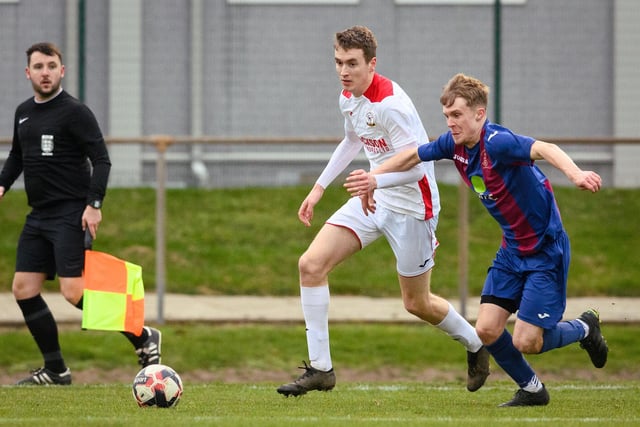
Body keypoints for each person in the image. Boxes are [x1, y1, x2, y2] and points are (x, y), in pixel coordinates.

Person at [345, 72, 609, 407]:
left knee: (528, 341)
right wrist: (373, 177)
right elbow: (412, 155)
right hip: (512, 251)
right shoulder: (452, 145)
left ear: (479, 114)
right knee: (486, 330)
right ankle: (532, 390)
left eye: (457, 115)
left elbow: (545, 148)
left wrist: (576, 174)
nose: (450, 123)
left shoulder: (497, 142)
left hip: (545, 251)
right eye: (446, 116)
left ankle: (585, 328)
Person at [276, 27, 489, 397]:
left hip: (412, 207)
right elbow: (352, 140)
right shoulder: (348, 97)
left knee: (416, 303)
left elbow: (419, 167)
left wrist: (376, 180)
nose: (344, 71)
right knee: (310, 265)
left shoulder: (392, 105)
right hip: (373, 197)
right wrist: (319, 188)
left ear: (372, 64)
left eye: (353, 63)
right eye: (339, 62)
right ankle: (321, 370)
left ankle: (475, 344)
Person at [0, 42, 162, 386]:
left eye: (52, 66)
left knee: (74, 292)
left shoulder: (74, 112)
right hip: (38, 216)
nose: (46, 72)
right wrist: (1, 184)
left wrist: (94, 204)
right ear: (28, 73)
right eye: (39, 66)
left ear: (62, 71)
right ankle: (56, 370)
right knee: (24, 288)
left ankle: (143, 334)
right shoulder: (23, 112)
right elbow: (17, 157)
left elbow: (101, 160)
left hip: (70, 213)